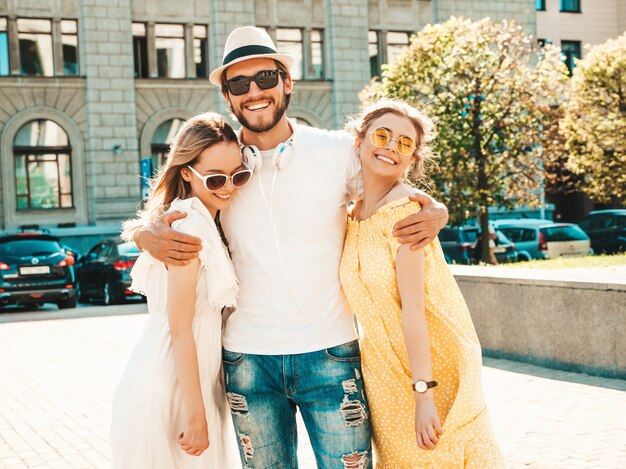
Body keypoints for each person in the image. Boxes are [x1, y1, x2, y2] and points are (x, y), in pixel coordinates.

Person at [124, 27, 449, 468]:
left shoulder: (336, 152)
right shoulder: (222, 161)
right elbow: (174, 201)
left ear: (287, 82)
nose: (254, 92)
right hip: (246, 362)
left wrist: (439, 210)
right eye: (239, 84)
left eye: (265, 78)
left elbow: (388, 182)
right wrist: (143, 232)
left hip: (331, 356)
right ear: (228, 96)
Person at [339, 99, 506, 468]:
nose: (390, 147)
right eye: (382, 135)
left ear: (413, 158)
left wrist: (423, 394)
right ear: (359, 140)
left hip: (428, 372)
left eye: (404, 144)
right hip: (381, 373)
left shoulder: (408, 214)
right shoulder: (353, 214)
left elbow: (413, 310)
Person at [110, 113, 243, 468]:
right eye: (215, 178)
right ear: (186, 172)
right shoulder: (188, 222)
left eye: (238, 174)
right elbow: (180, 329)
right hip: (174, 383)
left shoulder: (205, 216)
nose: (229, 186)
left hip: (183, 378)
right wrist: (196, 414)